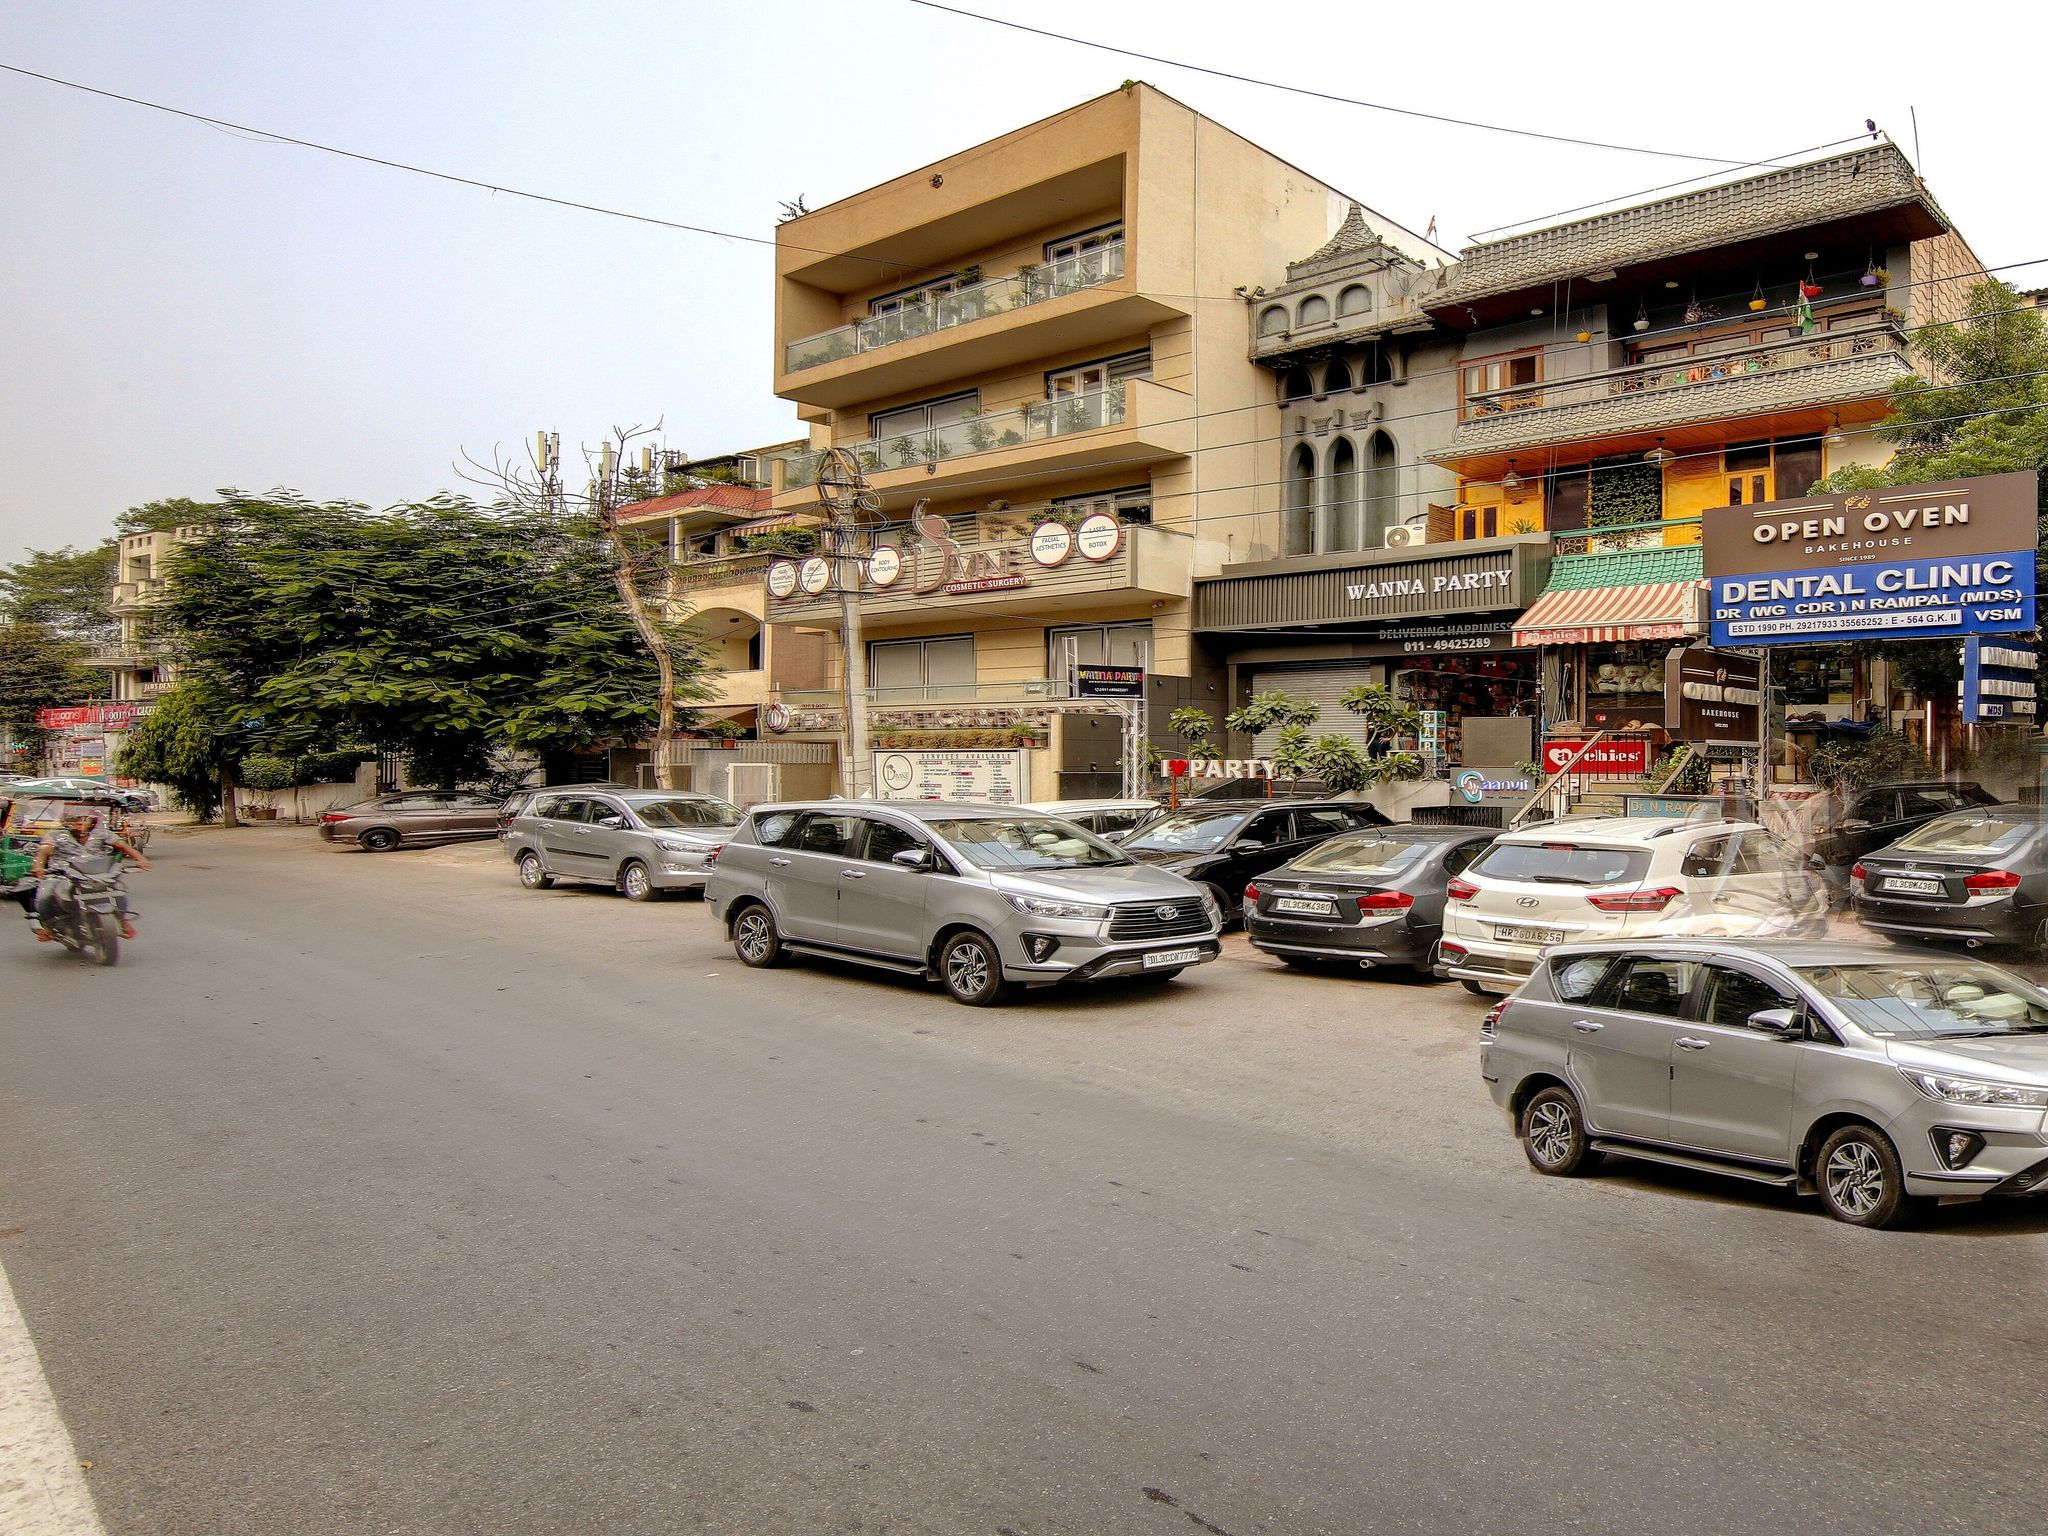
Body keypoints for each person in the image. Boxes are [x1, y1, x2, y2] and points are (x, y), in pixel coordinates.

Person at [30, 808, 151, 943]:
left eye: (83, 819)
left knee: (118, 891)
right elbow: (43, 852)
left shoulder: (102, 834)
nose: (79, 823)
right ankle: (49, 927)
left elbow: (123, 846)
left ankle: (121, 920)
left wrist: (140, 859)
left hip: (96, 874)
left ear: (91, 821)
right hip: (62, 874)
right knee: (44, 895)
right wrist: (38, 867)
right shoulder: (56, 836)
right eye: (75, 820)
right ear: (67, 822)